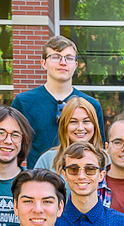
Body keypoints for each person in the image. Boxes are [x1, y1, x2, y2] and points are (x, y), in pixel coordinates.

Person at [12, 35, 105, 169]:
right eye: (55, 57)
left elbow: (99, 148)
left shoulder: (91, 105)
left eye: (69, 58)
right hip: (39, 177)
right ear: (44, 63)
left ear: (75, 65)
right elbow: (13, 146)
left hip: (82, 177)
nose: (63, 62)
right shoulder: (24, 102)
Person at [34, 97, 102, 172]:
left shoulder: (108, 160)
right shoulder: (47, 160)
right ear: (64, 126)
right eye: (73, 121)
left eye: (86, 121)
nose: (80, 128)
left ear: (95, 125)